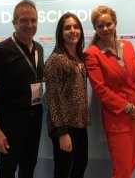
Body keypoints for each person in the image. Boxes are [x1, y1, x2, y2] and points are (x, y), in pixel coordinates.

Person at [84, 5, 135, 178]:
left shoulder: (127, 46)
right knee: (122, 171)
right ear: (95, 28)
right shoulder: (92, 53)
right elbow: (101, 90)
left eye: (108, 24)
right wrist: (129, 108)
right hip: (119, 119)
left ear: (115, 23)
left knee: (130, 168)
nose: (105, 28)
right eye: (100, 26)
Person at [0, 0, 44, 178]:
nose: (30, 25)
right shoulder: (0, 51)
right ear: (14, 23)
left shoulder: (38, 48)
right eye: (24, 20)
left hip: (34, 120)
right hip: (10, 124)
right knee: (7, 170)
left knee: (28, 167)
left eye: (33, 20)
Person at [44, 12, 91, 178]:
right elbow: (53, 98)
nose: (73, 30)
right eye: (67, 28)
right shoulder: (55, 60)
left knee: (80, 166)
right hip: (64, 126)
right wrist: (62, 132)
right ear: (60, 33)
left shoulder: (79, 57)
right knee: (63, 171)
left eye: (76, 27)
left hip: (80, 123)